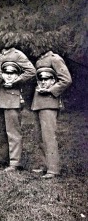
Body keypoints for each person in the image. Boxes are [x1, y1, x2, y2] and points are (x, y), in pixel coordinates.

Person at [0, 45, 36, 172]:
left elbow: (31, 71)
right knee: (0, 130)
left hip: (12, 96)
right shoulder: (0, 55)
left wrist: (16, 81)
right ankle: (1, 158)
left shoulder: (17, 54)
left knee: (13, 131)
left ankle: (15, 162)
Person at [31, 51, 71, 179]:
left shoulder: (55, 59)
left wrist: (51, 90)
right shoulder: (40, 60)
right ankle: (44, 165)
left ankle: (53, 169)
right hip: (38, 101)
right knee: (39, 136)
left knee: (48, 136)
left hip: (49, 102)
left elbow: (66, 79)